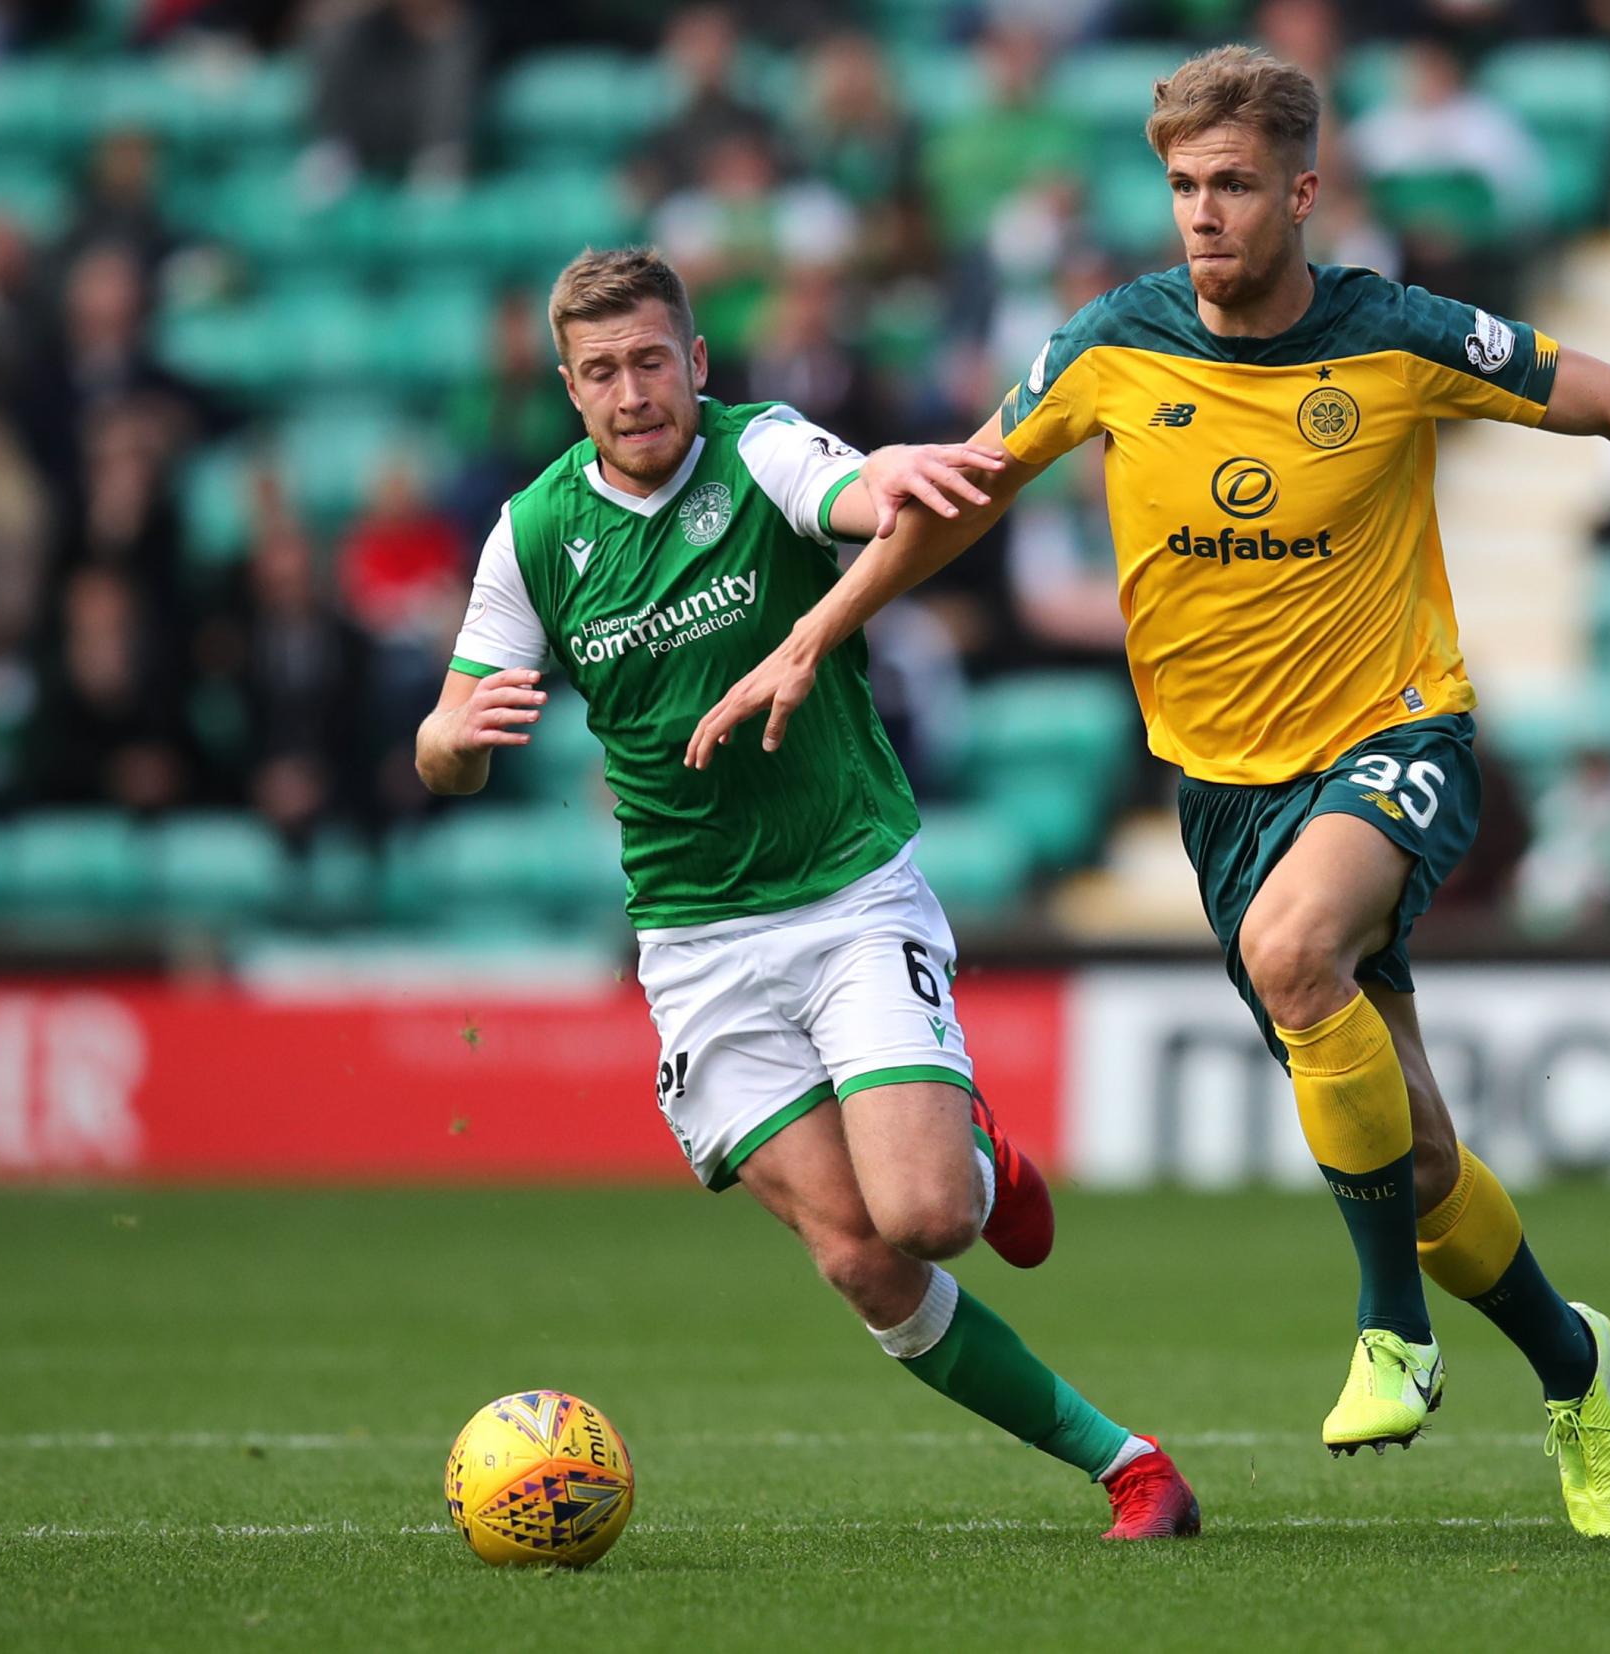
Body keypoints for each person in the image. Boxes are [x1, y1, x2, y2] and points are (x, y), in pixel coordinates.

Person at [690, 45, 1610, 1539]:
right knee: (1428, 1162)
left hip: (1399, 737)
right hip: (1224, 797)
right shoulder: (1112, 345)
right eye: (1184, 185)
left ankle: (1392, 1332)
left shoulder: (1395, 335)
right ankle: (1574, 1365)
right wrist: (813, 629)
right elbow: (963, 496)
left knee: (1291, 951)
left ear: (1304, 190)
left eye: (1236, 185)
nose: (1204, 213)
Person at [416, 249, 1198, 1543]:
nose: (632, 392)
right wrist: (456, 740)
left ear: (697, 363)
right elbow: (441, 741)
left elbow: (839, 485)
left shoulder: (758, 447)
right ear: (568, 386)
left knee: (929, 1215)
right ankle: (1133, 1467)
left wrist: (883, 477)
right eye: (602, 371)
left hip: (844, 895)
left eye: (652, 361)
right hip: (695, 947)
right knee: (862, 1260)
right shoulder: (533, 533)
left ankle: (978, 1170)